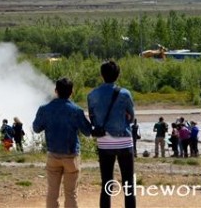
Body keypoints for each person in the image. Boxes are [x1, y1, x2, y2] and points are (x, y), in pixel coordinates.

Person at [34, 76, 93, 208]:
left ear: (56, 91)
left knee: (52, 192)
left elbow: (36, 128)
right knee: (71, 193)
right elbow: (88, 132)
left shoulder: (44, 109)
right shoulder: (76, 110)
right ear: (72, 92)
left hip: (53, 155)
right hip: (71, 156)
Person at [88, 60, 136, 208]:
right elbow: (132, 116)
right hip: (124, 142)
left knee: (106, 184)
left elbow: (93, 118)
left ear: (101, 75)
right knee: (128, 185)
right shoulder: (125, 93)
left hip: (104, 142)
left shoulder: (92, 95)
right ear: (118, 74)